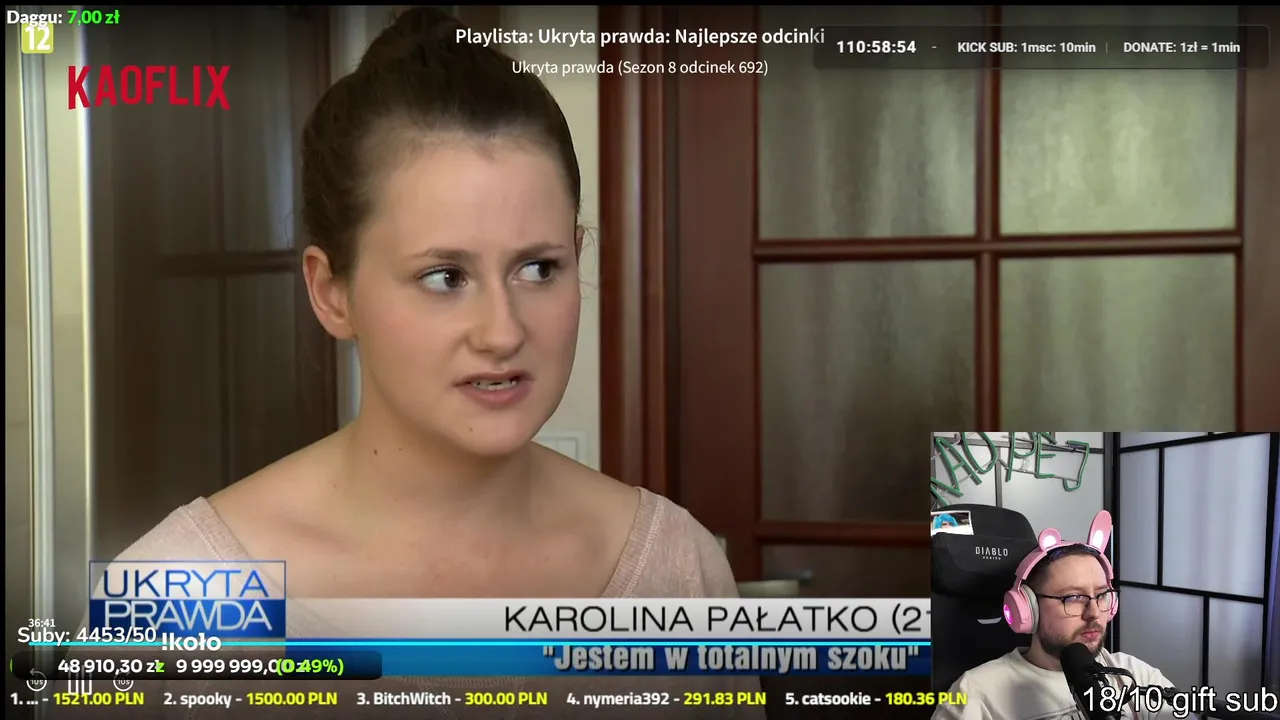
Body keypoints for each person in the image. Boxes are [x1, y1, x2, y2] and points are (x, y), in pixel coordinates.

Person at [75, 8, 760, 718]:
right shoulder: (174, 600)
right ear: (331, 293)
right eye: (445, 277)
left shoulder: (675, 570)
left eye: (538, 268)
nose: (502, 331)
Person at [932, 543, 1185, 720]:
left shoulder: (1134, 675)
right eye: (1073, 597)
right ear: (1028, 609)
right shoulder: (976, 693)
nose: (1094, 612)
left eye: (1102, 595)